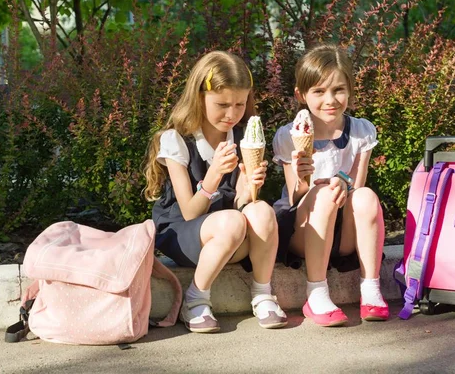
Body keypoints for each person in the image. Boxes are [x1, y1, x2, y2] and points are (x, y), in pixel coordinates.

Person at [143, 51, 287, 333]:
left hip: (228, 235)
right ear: (200, 97)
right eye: (221, 104)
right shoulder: (176, 140)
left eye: (240, 104)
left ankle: (262, 294)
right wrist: (214, 173)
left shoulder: (244, 135)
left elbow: (240, 204)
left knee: (262, 211)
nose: (232, 113)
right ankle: (195, 299)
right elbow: (189, 211)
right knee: (232, 221)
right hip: (183, 234)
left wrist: (248, 186)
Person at [272, 44, 388, 327]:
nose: (330, 99)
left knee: (367, 197)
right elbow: (294, 198)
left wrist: (343, 180)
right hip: (306, 230)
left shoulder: (361, 131)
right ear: (301, 95)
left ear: (350, 89)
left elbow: (357, 185)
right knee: (322, 195)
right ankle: (316, 293)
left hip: (344, 234)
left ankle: (370, 289)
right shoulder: (290, 136)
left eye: (338, 90)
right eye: (319, 91)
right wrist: (302, 178)